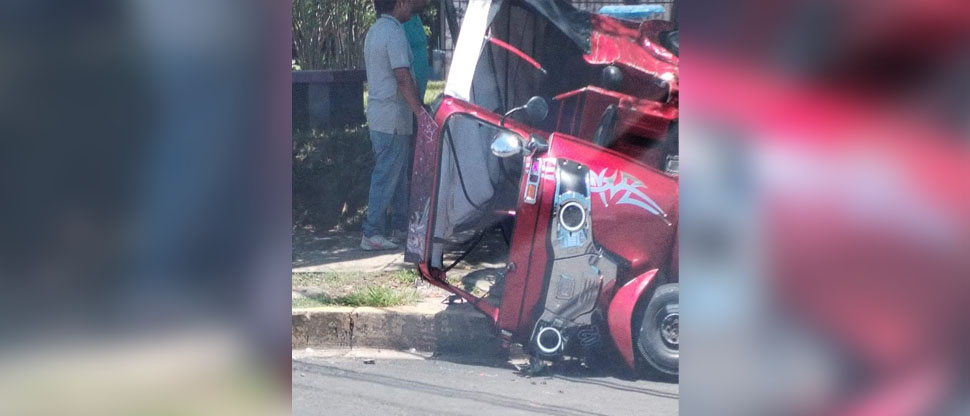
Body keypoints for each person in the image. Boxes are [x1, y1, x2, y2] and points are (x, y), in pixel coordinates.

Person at [361, 0, 426, 251]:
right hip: (392, 117)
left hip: (381, 116)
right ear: (398, 3)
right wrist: (420, 112)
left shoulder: (376, 30)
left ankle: (399, 226)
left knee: (397, 175)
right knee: (387, 174)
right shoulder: (394, 32)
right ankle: (372, 231)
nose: (411, 5)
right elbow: (402, 77)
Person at [388, 0, 430, 244]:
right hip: (406, 103)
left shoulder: (413, 18)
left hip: (418, 98)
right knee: (401, 164)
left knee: (411, 162)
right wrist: (416, 107)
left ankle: (406, 217)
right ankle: (398, 220)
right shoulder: (397, 23)